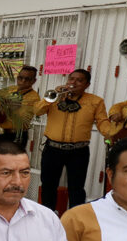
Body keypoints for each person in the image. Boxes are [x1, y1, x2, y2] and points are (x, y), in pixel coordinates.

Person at [34, 68, 115, 210]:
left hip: (79, 151)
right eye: (71, 79)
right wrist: (51, 98)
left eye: (79, 80)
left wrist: (110, 132)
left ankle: (75, 220)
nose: (74, 82)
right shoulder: (55, 97)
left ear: (87, 84)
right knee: (48, 185)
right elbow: (37, 111)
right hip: (52, 149)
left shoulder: (95, 101)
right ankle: (47, 218)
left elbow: (102, 121)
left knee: (76, 188)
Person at [0, 66, 41, 148]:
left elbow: (22, 119)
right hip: (1, 133)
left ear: (34, 81)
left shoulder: (34, 97)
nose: (23, 81)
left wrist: (7, 107)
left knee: (12, 161)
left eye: (27, 79)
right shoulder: (10, 89)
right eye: (20, 78)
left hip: (17, 136)